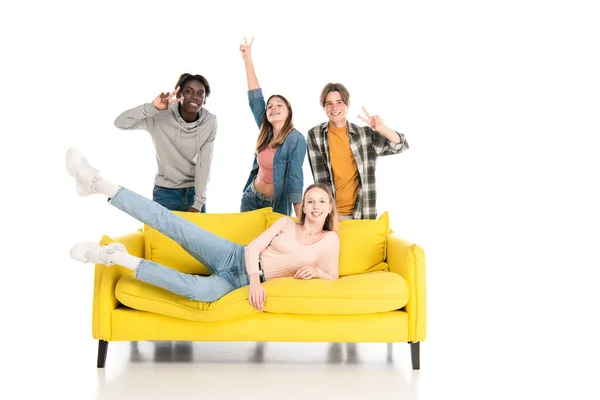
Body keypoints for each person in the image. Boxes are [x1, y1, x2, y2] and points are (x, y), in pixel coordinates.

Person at [65, 148, 339, 311]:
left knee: (200, 292)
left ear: (329, 208)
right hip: (235, 256)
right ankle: (97, 182)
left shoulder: (330, 240)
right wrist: (256, 281)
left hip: (236, 283)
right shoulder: (285, 223)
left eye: (321, 202)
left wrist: (317, 272)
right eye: (310, 200)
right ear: (303, 206)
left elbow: (333, 276)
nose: (315, 206)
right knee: (173, 223)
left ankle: (115, 256)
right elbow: (254, 247)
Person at [114, 73, 217, 213]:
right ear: (179, 93)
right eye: (189, 91)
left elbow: (204, 163)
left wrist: (198, 202)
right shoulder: (160, 115)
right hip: (166, 193)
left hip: (195, 192)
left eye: (200, 93)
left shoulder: (209, 122)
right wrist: (152, 108)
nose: (195, 97)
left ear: (204, 100)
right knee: (161, 235)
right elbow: (120, 123)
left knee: (198, 235)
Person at [307, 83, 409, 220]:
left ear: (347, 104)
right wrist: (330, 214)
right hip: (331, 215)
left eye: (339, 102)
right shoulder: (316, 135)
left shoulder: (364, 134)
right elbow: (321, 179)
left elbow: (400, 145)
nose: (334, 108)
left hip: (363, 213)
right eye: (329, 103)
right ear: (324, 107)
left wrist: (382, 129)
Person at [239, 37, 306, 217]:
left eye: (279, 105)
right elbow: (255, 99)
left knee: (273, 246)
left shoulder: (295, 139)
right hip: (251, 199)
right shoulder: (266, 130)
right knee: (246, 245)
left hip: (275, 206)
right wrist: (248, 60)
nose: (273, 108)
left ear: (288, 113)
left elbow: (295, 179)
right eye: (270, 106)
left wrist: (301, 219)